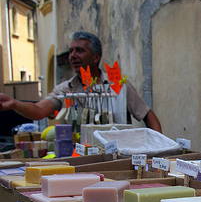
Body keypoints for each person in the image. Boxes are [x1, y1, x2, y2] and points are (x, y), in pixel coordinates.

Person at [0, 31, 162, 133]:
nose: (73, 55)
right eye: (71, 51)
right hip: (78, 158)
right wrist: (14, 103)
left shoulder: (117, 85)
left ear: (96, 57)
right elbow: (39, 110)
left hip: (116, 157)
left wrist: (158, 147)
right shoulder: (65, 89)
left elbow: (147, 114)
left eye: (79, 50)